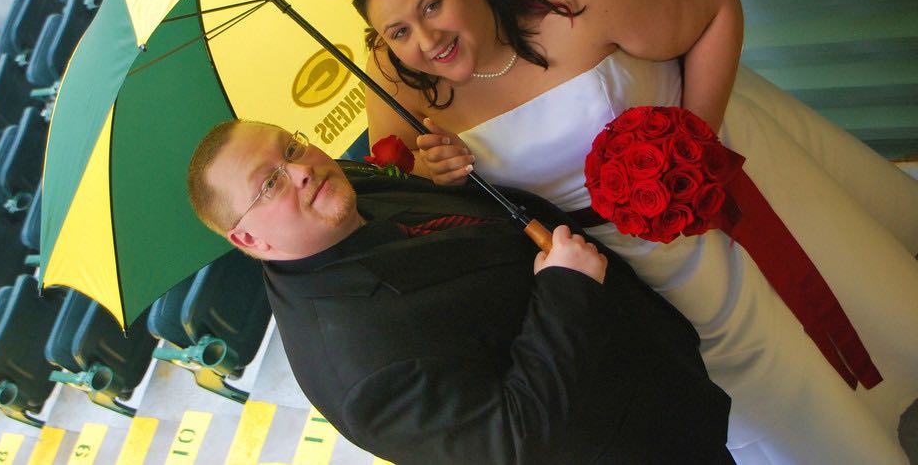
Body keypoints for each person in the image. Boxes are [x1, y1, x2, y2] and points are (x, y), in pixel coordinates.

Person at [349, 0, 918, 464]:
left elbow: (715, 9)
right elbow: (406, 194)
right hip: (619, 276)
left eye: (432, 5)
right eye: (399, 31)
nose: (427, 39)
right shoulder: (394, 74)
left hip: (712, 204)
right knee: (764, 403)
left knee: (837, 319)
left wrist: (691, 151)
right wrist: (439, 176)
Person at [187, 119, 734, 464]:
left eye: (290, 147)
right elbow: (514, 439)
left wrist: (438, 175)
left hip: (664, 374)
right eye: (269, 184)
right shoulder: (355, 370)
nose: (300, 170)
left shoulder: (342, 190)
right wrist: (566, 289)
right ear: (247, 238)